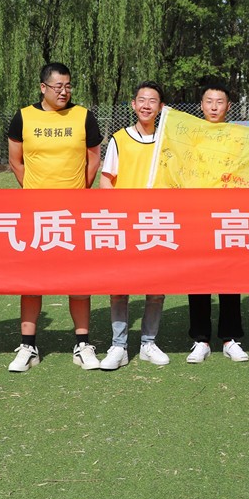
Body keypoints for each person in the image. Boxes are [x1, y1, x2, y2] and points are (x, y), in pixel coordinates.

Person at [7, 62, 104, 372]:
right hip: (35, 213)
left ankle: (82, 344)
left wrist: (77, 193)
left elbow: (93, 160)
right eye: (58, 86)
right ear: (43, 87)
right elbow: (16, 161)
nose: (64, 91)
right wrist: (35, 192)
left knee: (78, 280)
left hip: (74, 213)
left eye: (68, 86)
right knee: (32, 281)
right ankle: (28, 346)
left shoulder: (83, 116)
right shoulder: (23, 117)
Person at [98, 81, 170, 370]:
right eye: (142, 100)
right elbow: (106, 181)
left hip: (157, 223)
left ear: (161, 107)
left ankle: (148, 343)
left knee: (155, 288)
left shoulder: (168, 141)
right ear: (133, 104)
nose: (146, 105)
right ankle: (119, 346)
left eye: (152, 101)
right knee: (120, 287)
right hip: (126, 224)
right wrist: (115, 217)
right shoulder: (119, 139)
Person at [186, 80, 249, 363]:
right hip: (197, 214)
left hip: (228, 214)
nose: (214, 107)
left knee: (230, 276)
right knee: (198, 278)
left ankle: (230, 338)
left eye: (219, 102)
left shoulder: (240, 136)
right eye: (209, 102)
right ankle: (200, 339)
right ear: (201, 105)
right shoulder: (190, 136)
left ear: (228, 106)